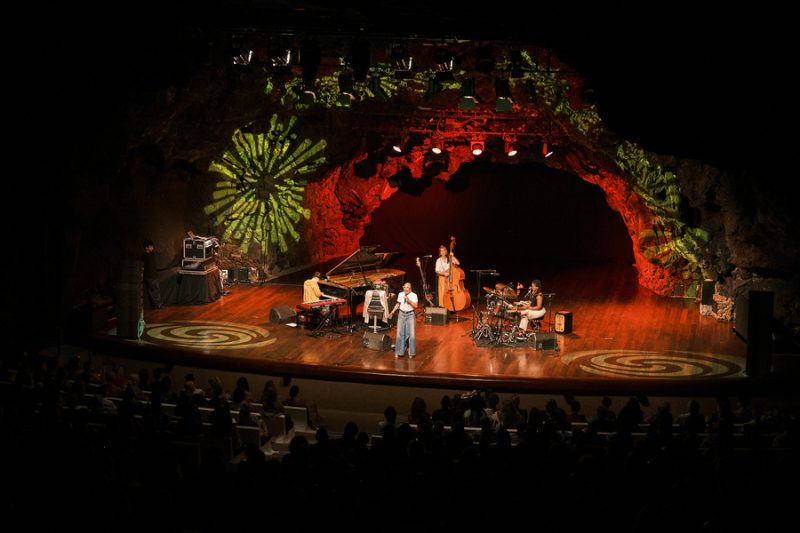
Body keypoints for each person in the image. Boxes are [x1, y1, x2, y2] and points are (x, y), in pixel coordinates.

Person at [389, 282, 418, 358]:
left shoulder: (414, 295)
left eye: (407, 287)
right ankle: (399, 351)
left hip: (410, 315)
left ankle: (411, 352)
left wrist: (409, 301)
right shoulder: (401, 294)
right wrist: (392, 311)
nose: (406, 289)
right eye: (405, 287)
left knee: (412, 335)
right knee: (399, 334)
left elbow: (416, 306)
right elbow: (398, 304)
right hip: (402, 314)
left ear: (410, 288)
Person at [141, 239, 163, 309]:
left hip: (154, 275)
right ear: (146, 248)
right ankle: (158, 305)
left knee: (156, 290)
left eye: (152, 246)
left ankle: (156, 304)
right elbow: (143, 267)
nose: (152, 248)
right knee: (154, 291)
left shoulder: (152, 254)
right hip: (149, 276)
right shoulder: (144, 256)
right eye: (150, 247)